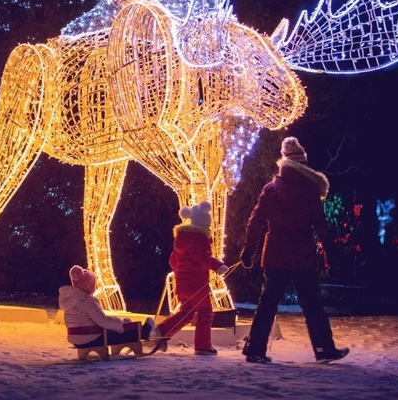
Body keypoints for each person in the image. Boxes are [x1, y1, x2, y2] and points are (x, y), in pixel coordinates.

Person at [240, 136, 349, 364]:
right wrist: (331, 253)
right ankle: (323, 349)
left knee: (267, 303)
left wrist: (248, 250)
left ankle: (255, 349)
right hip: (302, 255)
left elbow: (255, 220)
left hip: (275, 255)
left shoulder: (270, 190)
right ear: (301, 164)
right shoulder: (310, 190)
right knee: (312, 304)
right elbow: (320, 224)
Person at [156, 201, 229, 355]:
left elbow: (172, 261)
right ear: (205, 223)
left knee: (187, 312)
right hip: (197, 283)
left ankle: (162, 331)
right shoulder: (199, 239)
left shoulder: (181, 238)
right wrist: (218, 266)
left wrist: (182, 272)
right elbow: (203, 258)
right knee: (205, 312)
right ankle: (203, 346)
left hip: (182, 283)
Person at [59, 265, 154, 347]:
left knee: (112, 330)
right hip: (89, 338)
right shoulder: (86, 300)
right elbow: (102, 320)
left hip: (76, 339)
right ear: (88, 286)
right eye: (93, 285)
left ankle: (132, 328)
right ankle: (142, 332)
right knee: (118, 334)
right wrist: (119, 325)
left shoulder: (71, 298)